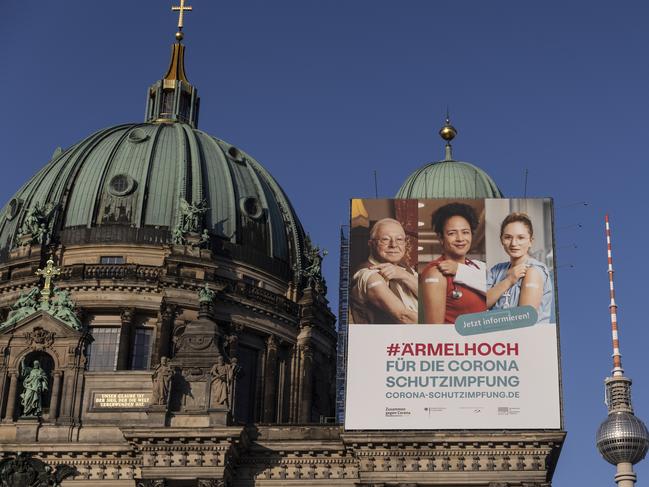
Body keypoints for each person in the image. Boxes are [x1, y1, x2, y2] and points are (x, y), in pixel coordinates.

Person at [420, 203, 486, 324]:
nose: (460, 238)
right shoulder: (436, 274)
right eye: (452, 233)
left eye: (465, 232)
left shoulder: (478, 267)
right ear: (441, 238)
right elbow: (434, 331)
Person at [487, 212, 553, 323]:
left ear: (530, 241)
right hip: (500, 339)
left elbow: (524, 320)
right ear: (501, 240)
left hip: (527, 339)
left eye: (521, 237)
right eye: (508, 237)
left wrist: (487, 320)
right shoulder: (496, 270)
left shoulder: (533, 271)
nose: (513, 243)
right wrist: (509, 280)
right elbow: (480, 305)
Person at [350, 218, 418, 324]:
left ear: (405, 243)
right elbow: (404, 317)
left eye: (399, 239)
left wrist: (405, 275)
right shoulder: (368, 275)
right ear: (371, 244)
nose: (394, 245)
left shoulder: (407, 271)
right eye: (385, 239)